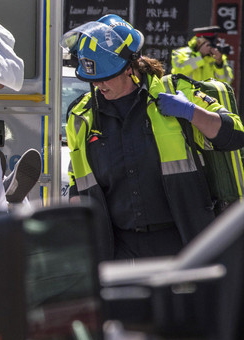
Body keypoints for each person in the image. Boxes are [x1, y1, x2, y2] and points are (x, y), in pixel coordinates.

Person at [62, 14, 244, 262]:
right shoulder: (81, 116)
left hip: (181, 243)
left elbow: (235, 135)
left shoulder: (176, 92)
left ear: (129, 68)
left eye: (104, 77)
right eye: (92, 80)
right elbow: (78, 180)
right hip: (117, 250)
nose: (98, 86)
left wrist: (192, 112)